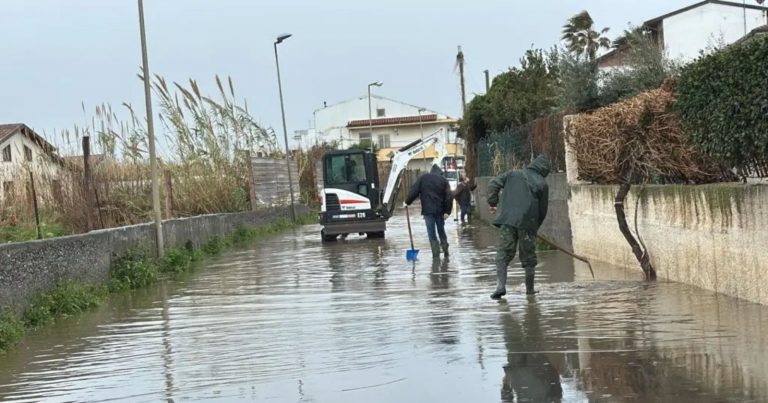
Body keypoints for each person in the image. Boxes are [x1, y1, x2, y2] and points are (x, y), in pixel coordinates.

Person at [487, 154, 550, 298]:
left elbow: (493, 184)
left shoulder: (512, 174)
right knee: (528, 257)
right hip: (527, 223)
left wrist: (492, 202)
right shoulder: (542, 184)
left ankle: (500, 286)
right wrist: (534, 228)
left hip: (507, 220)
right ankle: (530, 290)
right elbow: (542, 210)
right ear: (544, 170)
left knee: (503, 253)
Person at [404, 165, 453, 259]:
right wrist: (447, 212)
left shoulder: (423, 178)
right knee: (441, 231)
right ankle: (446, 252)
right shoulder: (443, 180)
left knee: (431, 233)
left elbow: (414, 191)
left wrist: (407, 202)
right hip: (440, 211)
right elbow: (449, 197)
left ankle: (436, 256)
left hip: (428, 211)